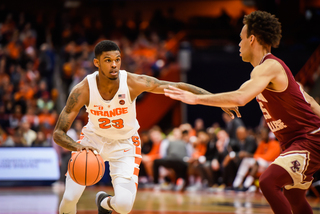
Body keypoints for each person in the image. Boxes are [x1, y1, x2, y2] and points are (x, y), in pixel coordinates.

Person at [53, 40, 239, 214]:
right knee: (69, 198)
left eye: (117, 60)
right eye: (107, 60)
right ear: (96, 63)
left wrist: (216, 100)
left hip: (125, 144)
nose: (114, 65)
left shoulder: (133, 82)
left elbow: (177, 86)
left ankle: (104, 202)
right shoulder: (83, 89)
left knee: (124, 206)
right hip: (93, 141)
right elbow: (58, 133)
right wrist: (77, 147)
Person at [164, 10, 320, 214]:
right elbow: (309, 100)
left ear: (252, 39)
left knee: (268, 181)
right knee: (294, 196)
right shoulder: (268, 72)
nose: (239, 44)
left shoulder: (268, 66)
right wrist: (221, 101)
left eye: (241, 39)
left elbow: (240, 97)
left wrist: (196, 99)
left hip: (307, 139)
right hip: (295, 142)